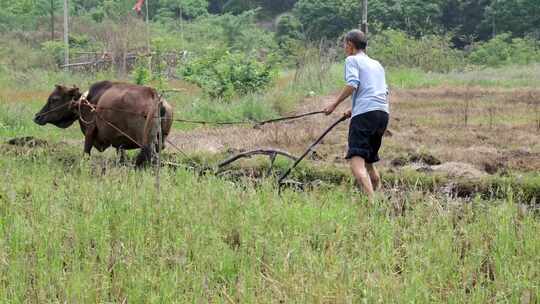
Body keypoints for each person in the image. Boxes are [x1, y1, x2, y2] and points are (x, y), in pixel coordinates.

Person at [323, 30, 389, 202]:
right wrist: (354, 109)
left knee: (356, 163)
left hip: (366, 115)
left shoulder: (352, 60)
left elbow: (353, 84)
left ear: (350, 45)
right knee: (369, 163)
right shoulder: (377, 64)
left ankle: (372, 204)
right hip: (382, 114)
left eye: (345, 44)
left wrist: (334, 104)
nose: (344, 48)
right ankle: (378, 198)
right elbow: (380, 91)